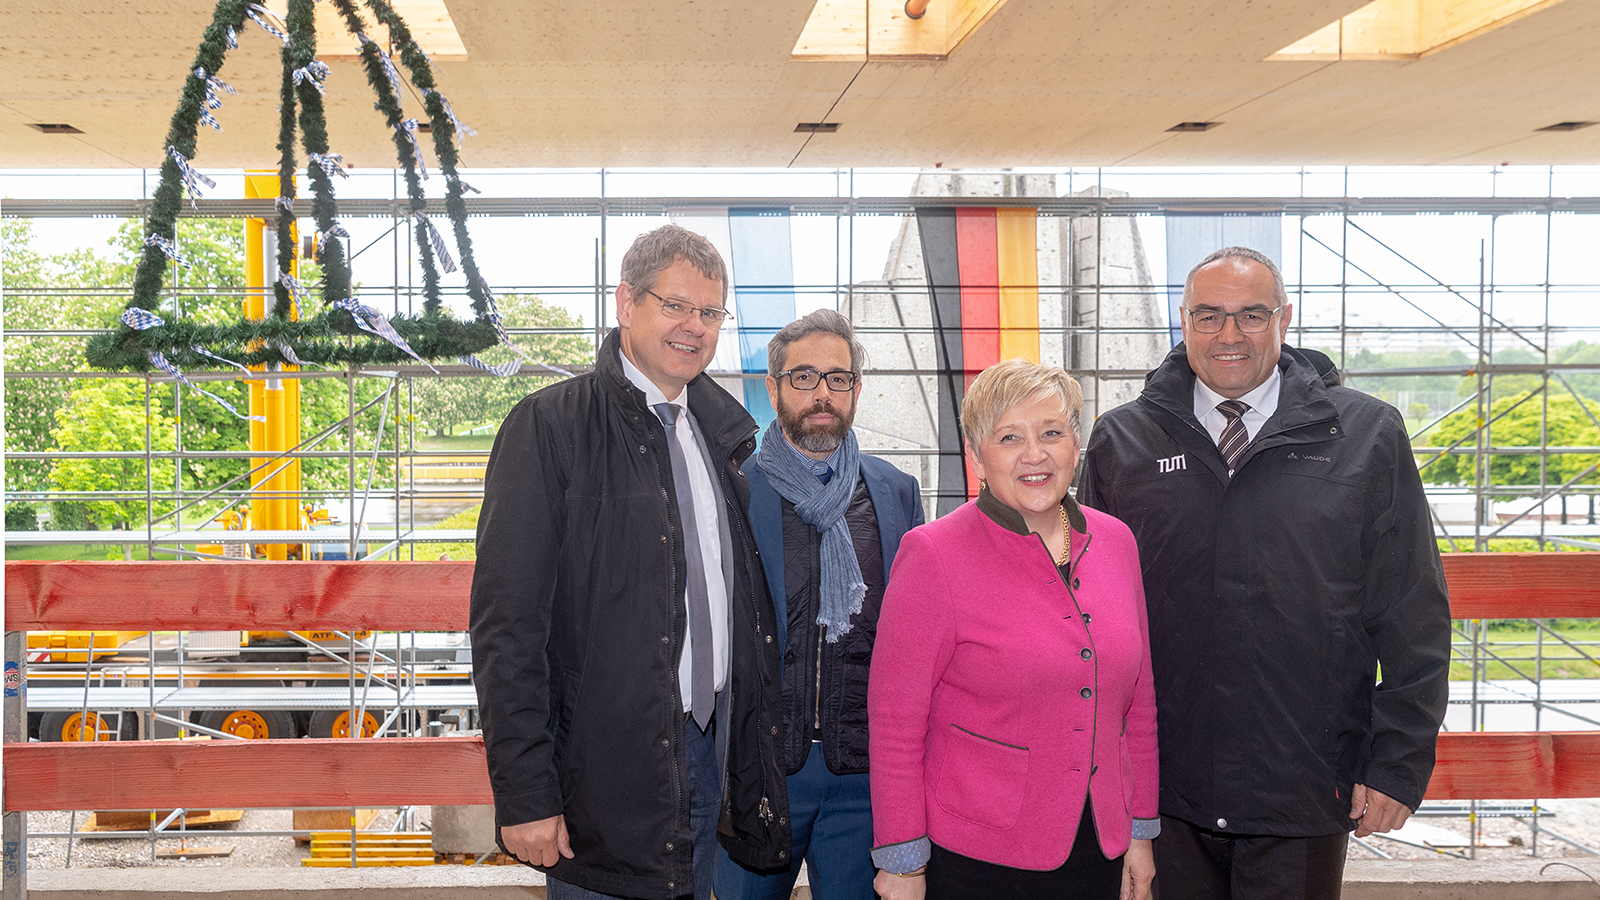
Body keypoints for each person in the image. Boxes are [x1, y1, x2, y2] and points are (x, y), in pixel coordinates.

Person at [1076, 246, 1451, 900]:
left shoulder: (1366, 435)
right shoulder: (1123, 442)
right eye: (1209, 316)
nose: (1229, 335)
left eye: (1251, 315)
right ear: (1183, 321)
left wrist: (1397, 764)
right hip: (1165, 789)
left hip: (1303, 786)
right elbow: (1084, 620)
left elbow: (1414, 614)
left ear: (1284, 318)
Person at [469, 224, 790, 900]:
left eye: (708, 312)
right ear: (625, 302)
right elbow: (508, 627)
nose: (692, 327)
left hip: (707, 755)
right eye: (674, 305)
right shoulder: (549, 428)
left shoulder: (721, 436)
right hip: (604, 774)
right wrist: (525, 791)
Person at [870, 359, 1159, 900]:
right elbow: (894, 725)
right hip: (979, 856)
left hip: (1099, 846)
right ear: (977, 455)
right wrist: (903, 863)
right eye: (1010, 437)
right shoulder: (932, 555)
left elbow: (1137, 706)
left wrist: (1140, 833)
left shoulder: (1118, 542)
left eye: (1052, 432)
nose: (1035, 454)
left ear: (1077, 445)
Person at [714, 309, 924, 900]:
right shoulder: (733, 489)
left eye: (838, 378)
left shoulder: (895, 492)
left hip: (863, 775)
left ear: (857, 390)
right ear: (774, 387)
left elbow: (914, 638)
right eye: (804, 377)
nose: (822, 393)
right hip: (759, 771)